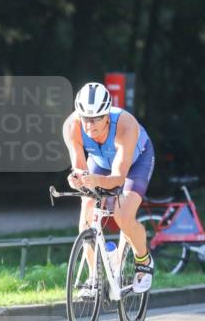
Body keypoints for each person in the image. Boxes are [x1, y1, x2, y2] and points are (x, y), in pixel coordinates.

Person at [63, 81, 155, 292]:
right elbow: (80, 169)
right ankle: (95, 277)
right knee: (86, 210)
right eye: (85, 118)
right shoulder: (71, 126)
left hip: (135, 163)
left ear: (107, 115)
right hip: (101, 161)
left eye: (96, 119)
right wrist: (77, 179)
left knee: (122, 215)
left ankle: (144, 259)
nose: (89, 125)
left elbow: (118, 177)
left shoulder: (125, 125)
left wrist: (94, 180)